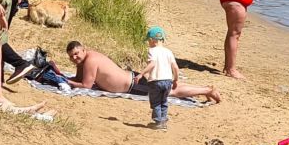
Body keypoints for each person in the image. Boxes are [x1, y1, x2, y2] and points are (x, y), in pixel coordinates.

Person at [65, 41, 221, 102]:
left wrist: (65, 81)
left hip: (134, 85)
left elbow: (85, 85)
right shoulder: (85, 60)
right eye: (72, 56)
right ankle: (204, 89)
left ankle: (207, 90)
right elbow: (79, 79)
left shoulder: (90, 61)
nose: (75, 58)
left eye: (77, 53)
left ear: (84, 50)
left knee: (170, 92)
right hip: (133, 80)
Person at [140, 26, 178, 130]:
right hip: (168, 81)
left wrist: (141, 73)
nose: (148, 43)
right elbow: (175, 67)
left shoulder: (152, 51)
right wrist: (175, 79)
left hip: (156, 81)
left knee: (156, 102)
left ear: (152, 40)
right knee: (164, 101)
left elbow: (152, 64)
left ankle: (158, 122)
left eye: (148, 41)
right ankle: (163, 120)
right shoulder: (169, 52)